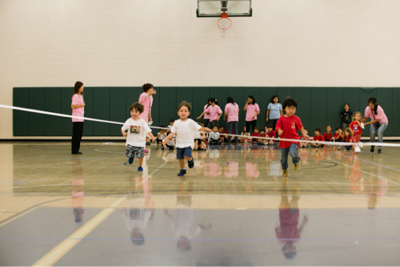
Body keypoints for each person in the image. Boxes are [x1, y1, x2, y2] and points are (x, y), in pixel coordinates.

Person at [163, 101, 211, 176]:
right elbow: (172, 133)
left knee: (187, 156)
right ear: (178, 112)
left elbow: (199, 128)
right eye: (181, 111)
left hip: (188, 143)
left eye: (185, 111)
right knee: (180, 158)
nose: (183, 112)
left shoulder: (190, 122)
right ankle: (183, 169)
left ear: (188, 113)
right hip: (179, 144)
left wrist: (206, 129)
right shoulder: (176, 122)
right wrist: (166, 138)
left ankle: (190, 159)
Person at [275, 97, 309, 177]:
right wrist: (279, 131)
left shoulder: (296, 119)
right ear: (284, 109)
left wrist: (304, 134)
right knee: (283, 159)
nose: (291, 110)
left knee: (293, 153)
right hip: (284, 141)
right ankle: (284, 169)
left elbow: (301, 127)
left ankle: (296, 161)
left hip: (293, 140)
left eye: (293, 109)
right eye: (289, 108)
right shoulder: (281, 118)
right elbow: (278, 127)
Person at [121, 103, 156, 172]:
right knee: (129, 153)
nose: (134, 113)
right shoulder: (129, 121)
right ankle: (131, 157)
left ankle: (140, 166)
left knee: (140, 156)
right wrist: (123, 133)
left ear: (140, 112)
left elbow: (148, 130)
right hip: (130, 142)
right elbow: (123, 128)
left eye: (136, 111)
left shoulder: (142, 122)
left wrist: (152, 137)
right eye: (132, 111)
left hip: (140, 143)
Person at [71, 81, 85, 155]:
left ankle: (77, 149)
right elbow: (72, 106)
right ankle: (74, 149)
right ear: (78, 87)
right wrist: (81, 105)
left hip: (81, 118)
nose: (82, 88)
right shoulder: (75, 96)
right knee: (76, 134)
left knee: (79, 134)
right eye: (81, 86)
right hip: (76, 118)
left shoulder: (81, 96)